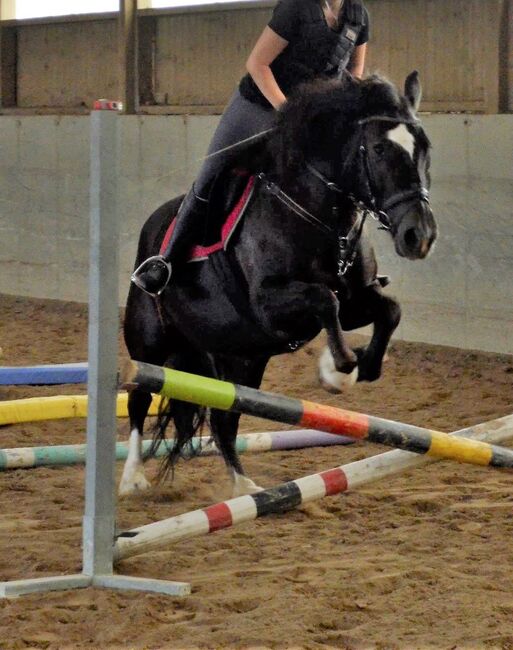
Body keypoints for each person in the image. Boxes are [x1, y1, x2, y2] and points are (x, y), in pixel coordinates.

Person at [132, 0, 370, 296]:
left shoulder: (358, 15)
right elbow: (257, 63)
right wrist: (287, 111)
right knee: (211, 173)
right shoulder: (295, 8)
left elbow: (354, 69)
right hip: (259, 104)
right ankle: (166, 261)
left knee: (344, 174)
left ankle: (353, 268)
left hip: (311, 116)